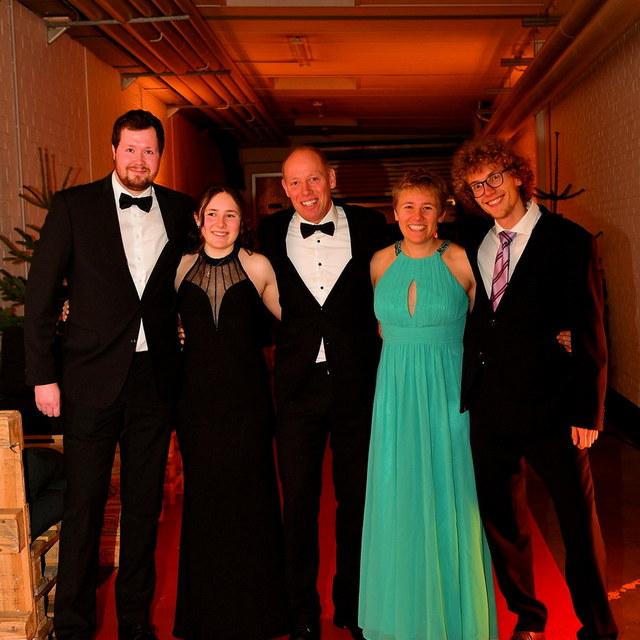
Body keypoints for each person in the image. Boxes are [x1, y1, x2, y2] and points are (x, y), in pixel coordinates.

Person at [24, 109, 194, 640]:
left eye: (149, 151)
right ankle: (73, 627)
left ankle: (135, 624)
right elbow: (41, 294)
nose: (139, 160)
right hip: (89, 379)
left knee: (144, 507)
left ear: (159, 156)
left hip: (154, 379)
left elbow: (194, 281)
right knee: (84, 506)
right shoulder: (74, 206)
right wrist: (43, 376)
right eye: (130, 149)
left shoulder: (180, 209)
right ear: (114, 151)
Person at [451, 136, 617, 640]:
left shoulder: (569, 240)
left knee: (577, 523)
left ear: (518, 175)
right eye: (476, 185)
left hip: (554, 408)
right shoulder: (472, 240)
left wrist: (589, 412)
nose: (487, 191)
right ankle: (528, 617)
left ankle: (599, 628)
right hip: (489, 404)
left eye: (494, 178)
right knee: (502, 524)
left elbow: (589, 330)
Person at [358, 168, 497, 640]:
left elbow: (493, 325)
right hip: (394, 398)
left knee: (449, 495)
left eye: (426, 207)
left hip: (448, 396)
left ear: (441, 213)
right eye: (407, 207)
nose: (416, 216)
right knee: (399, 497)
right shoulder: (379, 262)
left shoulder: (462, 259)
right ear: (395, 212)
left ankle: (455, 618)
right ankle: (403, 616)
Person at [258, 146, 387, 640]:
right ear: (283, 187)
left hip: (359, 384)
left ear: (331, 178)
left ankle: (353, 608)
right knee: (299, 505)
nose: (305, 191)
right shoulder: (269, 232)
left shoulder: (371, 225)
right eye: (294, 182)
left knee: (357, 503)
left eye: (313, 179)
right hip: (297, 389)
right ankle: (302, 613)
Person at [172, 185, 288, 640]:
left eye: (231, 215)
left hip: (249, 405)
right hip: (196, 405)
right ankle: (205, 618)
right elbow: (145, 315)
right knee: (205, 505)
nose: (221, 224)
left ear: (243, 222)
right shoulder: (179, 267)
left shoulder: (258, 266)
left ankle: (261, 615)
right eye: (213, 214)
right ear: (198, 219)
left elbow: (298, 319)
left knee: (252, 503)